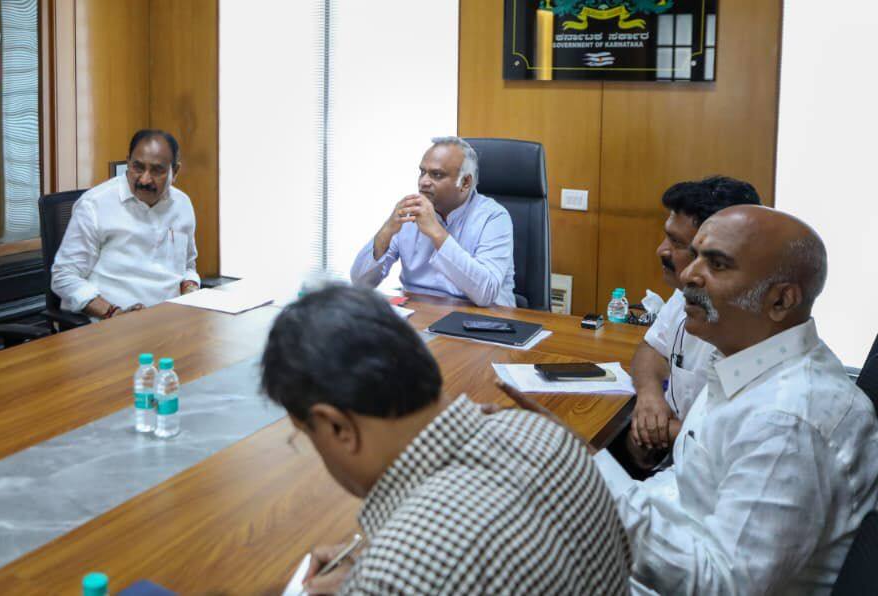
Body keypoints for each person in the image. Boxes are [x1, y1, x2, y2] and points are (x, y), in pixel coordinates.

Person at [261, 285, 630, 594]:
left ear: (338, 428)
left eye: (305, 435)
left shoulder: (397, 574)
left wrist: (375, 578)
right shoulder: (546, 435)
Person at [588, 205, 878, 593]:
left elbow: (725, 585)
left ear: (781, 301)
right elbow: (688, 490)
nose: (688, 274)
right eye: (694, 256)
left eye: (717, 264)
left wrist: (591, 482)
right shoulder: (744, 363)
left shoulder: (789, 419)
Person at [625, 176, 760, 461]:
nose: (661, 250)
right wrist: (649, 395)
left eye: (676, 242)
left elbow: (730, 440)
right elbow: (652, 348)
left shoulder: (749, 332)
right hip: (672, 457)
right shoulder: (686, 294)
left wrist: (660, 430)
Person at [51, 129, 200, 320]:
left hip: (172, 320)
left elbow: (188, 266)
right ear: (128, 162)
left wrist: (190, 290)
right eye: (138, 167)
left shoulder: (182, 204)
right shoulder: (95, 204)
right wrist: (114, 313)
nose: (145, 179)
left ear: (175, 171)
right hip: (113, 324)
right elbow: (64, 276)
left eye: (157, 170)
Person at [349, 136, 515, 307]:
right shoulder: (410, 211)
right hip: (419, 313)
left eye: (437, 175)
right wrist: (387, 230)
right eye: (422, 172)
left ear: (465, 182)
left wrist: (436, 233)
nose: (423, 182)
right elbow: (360, 284)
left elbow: (486, 293)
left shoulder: (494, 217)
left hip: (481, 318)